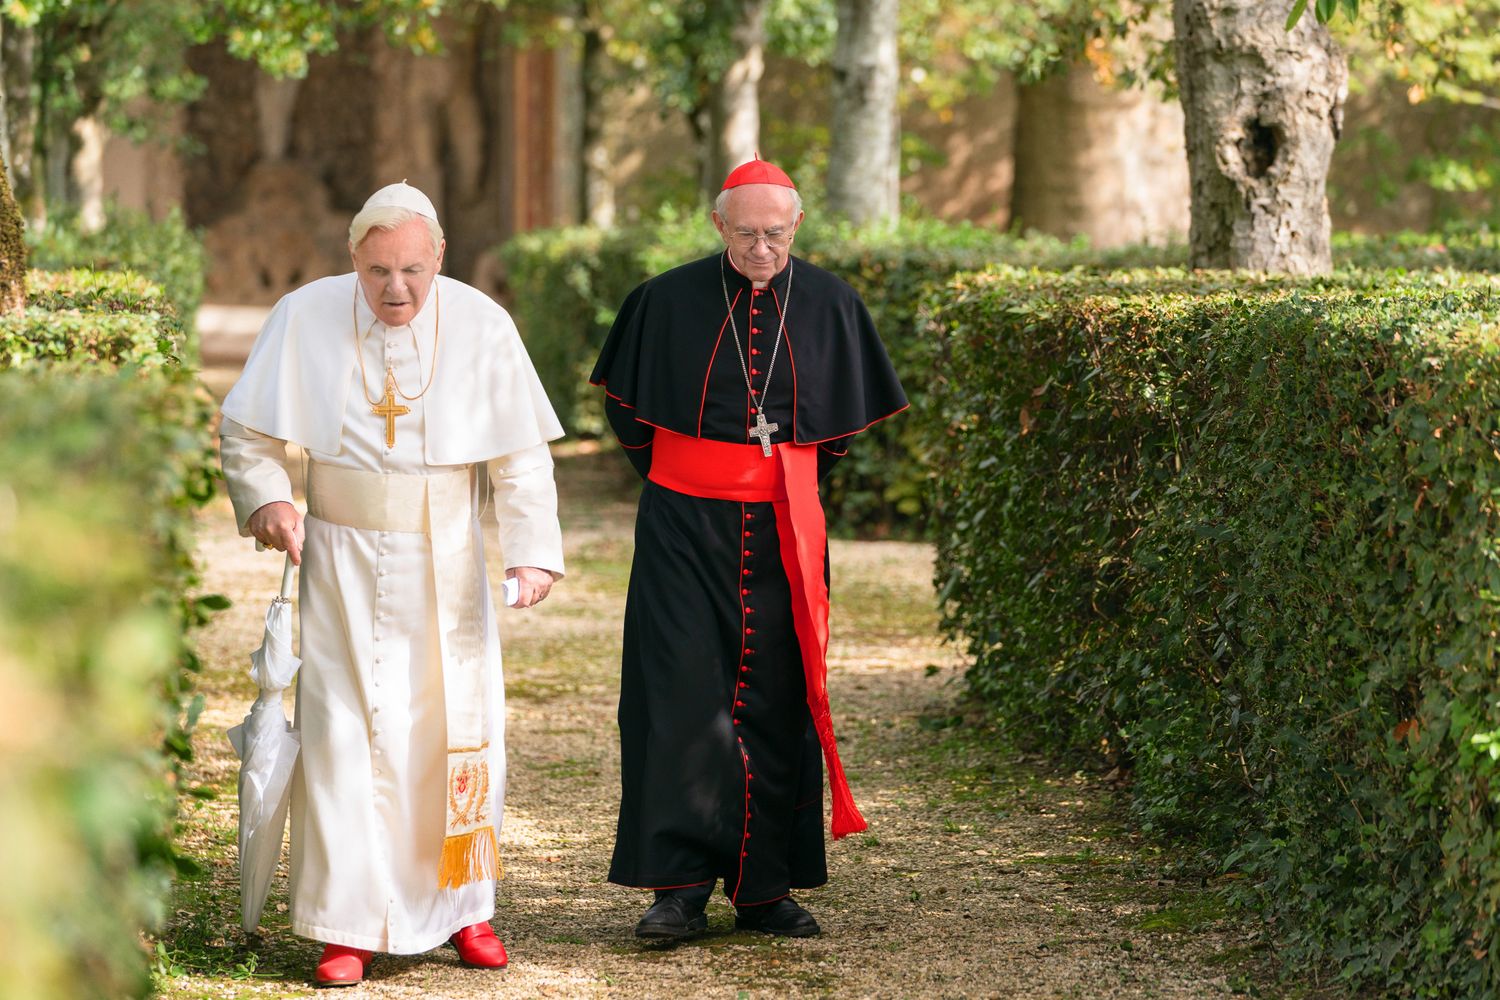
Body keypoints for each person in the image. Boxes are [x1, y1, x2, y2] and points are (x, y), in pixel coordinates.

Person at [218, 181, 565, 987]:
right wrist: (269, 498)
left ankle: (464, 906)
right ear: (354, 259)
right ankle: (347, 923)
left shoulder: (482, 324)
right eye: (378, 272)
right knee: (345, 737)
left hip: (448, 557)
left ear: (438, 254)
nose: (396, 289)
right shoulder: (305, 315)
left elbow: (519, 458)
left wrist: (531, 551)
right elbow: (247, 432)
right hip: (338, 559)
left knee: (454, 731)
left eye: (412, 269)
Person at [590, 158, 908, 940]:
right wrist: (697, 480)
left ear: (796, 226)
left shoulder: (832, 303)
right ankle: (679, 888)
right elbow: (629, 420)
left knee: (776, 698)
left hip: (783, 529)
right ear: (717, 227)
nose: (761, 248)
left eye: (774, 233)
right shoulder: (663, 301)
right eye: (745, 233)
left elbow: (834, 437)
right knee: (677, 700)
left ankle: (765, 888)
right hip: (681, 528)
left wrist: (773, 478)